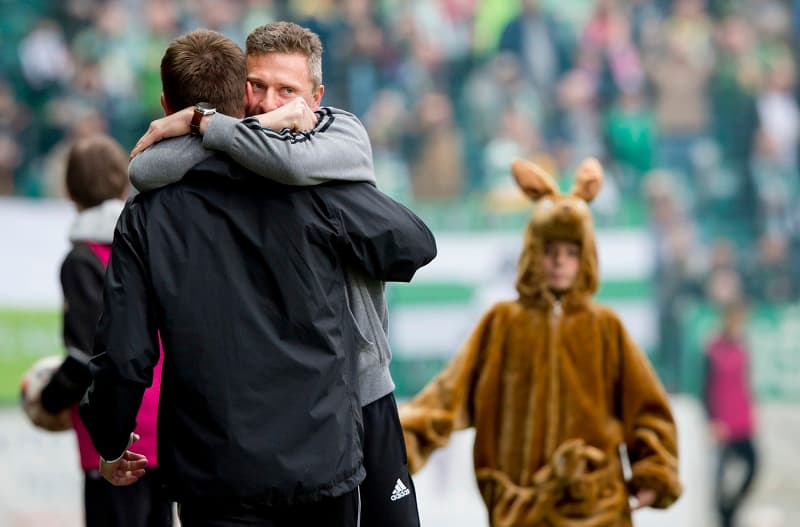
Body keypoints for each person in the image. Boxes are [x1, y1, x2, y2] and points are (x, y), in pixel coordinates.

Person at [78, 28, 437, 527]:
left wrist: (111, 439)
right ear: (241, 97)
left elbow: (125, 354)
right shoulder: (317, 190)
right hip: (322, 463)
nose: (270, 104)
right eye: (259, 88)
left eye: (286, 93)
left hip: (215, 472)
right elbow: (412, 247)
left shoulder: (149, 212)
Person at [399, 158, 682, 526]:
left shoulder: (605, 328)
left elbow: (647, 408)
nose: (559, 263)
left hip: (595, 508)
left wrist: (653, 472)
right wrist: (398, 448)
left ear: (586, 258)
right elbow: (445, 401)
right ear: (534, 253)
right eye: (551, 252)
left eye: (570, 253)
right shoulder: (501, 324)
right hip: (520, 510)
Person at [31, 134, 171, 526]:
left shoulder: (81, 259)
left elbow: (84, 357)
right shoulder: (150, 241)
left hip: (114, 431)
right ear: (123, 183)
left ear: (70, 190)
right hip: (163, 421)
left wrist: (48, 400)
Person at [703, 300, 758, 527]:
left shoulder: (742, 346)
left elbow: (744, 382)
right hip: (723, 421)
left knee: (752, 465)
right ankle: (724, 517)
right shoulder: (713, 349)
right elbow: (705, 388)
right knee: (723, 474)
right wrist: (713, 420)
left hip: (741, 418)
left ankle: (731, 510)